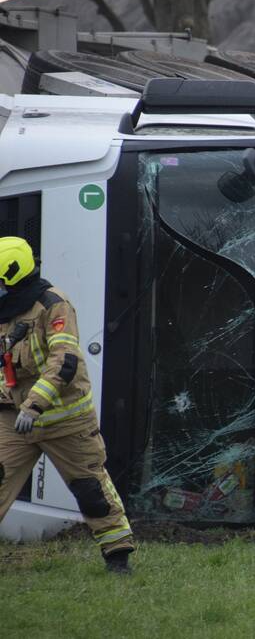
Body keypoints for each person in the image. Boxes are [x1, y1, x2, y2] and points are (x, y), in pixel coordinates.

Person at [0, 237, 135, 573]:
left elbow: (65, 361)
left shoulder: (53, 305)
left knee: (90, 489)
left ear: (12, 274)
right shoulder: (5, 311)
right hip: (14, 419)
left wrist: (33, 406)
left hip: (63, 422)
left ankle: (118, 556)